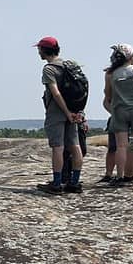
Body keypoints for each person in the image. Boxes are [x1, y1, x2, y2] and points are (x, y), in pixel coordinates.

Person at [34, 37, 85, 194]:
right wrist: (77, 112)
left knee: (58, 147)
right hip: (74, 111)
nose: (38, 52)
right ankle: (74, 183)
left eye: (39, 49)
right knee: (75, 145)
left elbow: (55, 93)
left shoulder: (49, 69)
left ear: (44, 50)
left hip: (57, 112)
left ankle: (56, 184)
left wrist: (66, 112)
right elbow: (82, 89)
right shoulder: (71, 65)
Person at [103, 43, 133, 187]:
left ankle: (119, 176)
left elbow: (108, 96)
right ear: (131, 56)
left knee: (121, 146)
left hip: (119, 110)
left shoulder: (110, 74)